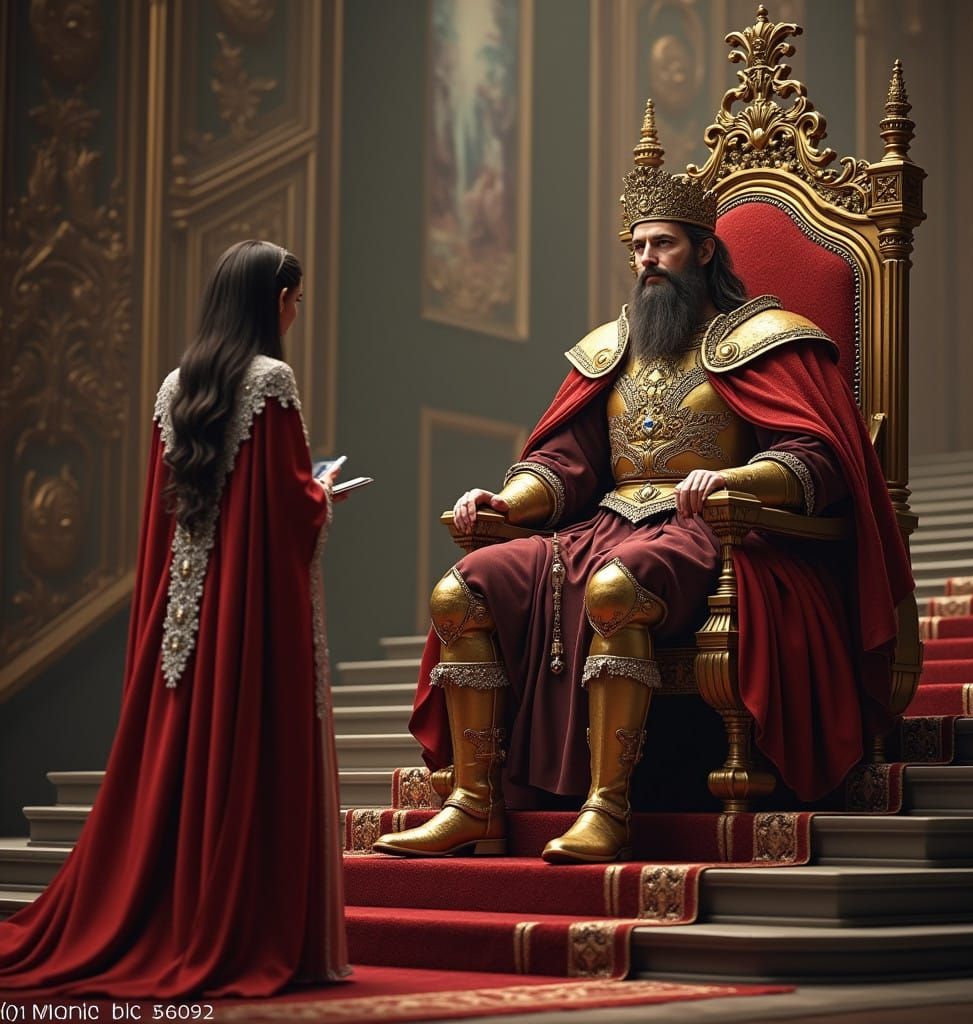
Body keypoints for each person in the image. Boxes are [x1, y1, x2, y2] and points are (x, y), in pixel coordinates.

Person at [376, 102, 914, 864]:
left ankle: (608, 808)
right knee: (460, 591)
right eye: (636, 248)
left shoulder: (766, 339)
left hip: (719, 532)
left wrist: (736, 479)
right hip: (602, 526)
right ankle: (474, 803)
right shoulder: (611, 350)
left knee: (616, 589)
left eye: (661, 245)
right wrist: (507, 502)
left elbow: (821, 460)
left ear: (702, 251)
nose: (646, 261)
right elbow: (564, 465)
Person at [0, 241, 350, 994]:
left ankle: (170, 917)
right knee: (245, 747)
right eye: (292, 297)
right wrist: (323, 494)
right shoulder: (272, 382)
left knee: (183, 752)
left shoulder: (173, 389)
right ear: (268, 301)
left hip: (179, 613)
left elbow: (170, 516)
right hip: (245, 614)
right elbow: (286, 506)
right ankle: (227, 932)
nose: (296, 310)